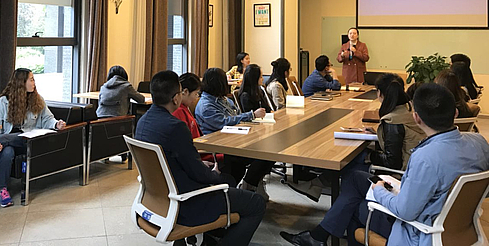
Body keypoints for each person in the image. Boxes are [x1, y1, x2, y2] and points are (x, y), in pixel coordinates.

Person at [280, 82, 489, 246]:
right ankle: (317, 237)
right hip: (463, 227)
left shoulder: (426, 157)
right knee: (355, 178)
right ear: (455, 113)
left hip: (421, 232)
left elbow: (405, 211)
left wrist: (379, 190)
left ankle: (318, 237)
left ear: (416, 118)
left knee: (354, 206)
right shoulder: (479, 143)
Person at [135, 70, 266, 246]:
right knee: (256, 203)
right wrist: (215, 176)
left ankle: (213, 236)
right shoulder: (176, 127)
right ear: (176, 98)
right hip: (187, 203)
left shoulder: (142, 122)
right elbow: (199, 174)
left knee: (228, 179)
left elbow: (172, 160)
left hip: (158, 200)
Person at [288, 73, 425, 202]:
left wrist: (369, 156)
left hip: (398, 173)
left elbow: (392, 161)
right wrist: (379, 135)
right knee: (353, 157)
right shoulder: (406, 110)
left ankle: (318, 186)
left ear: (380, 93)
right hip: (411, 168)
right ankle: (316, 185)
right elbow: (400, 140)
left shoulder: (393, 121)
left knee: (351, 159)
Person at [0, 68, 65, 208]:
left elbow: (48, 119)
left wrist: (56, 124)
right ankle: (3, 190)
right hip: (9, 143)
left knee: (1, 139)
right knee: (7, 151)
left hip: (28, 141)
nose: (34, 82)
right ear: (21, 83)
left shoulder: (37, 100)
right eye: (31, 80)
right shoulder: (3, 101)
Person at [195, 68, 273, 200]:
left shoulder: (223, 100)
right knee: (262, 155)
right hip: (222, 145)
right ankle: (249, 185)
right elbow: (224, 122)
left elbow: (236, 116)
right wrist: (251, 115)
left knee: (268, 151)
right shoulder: (206, 106)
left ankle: (250, 184)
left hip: (235, 138)